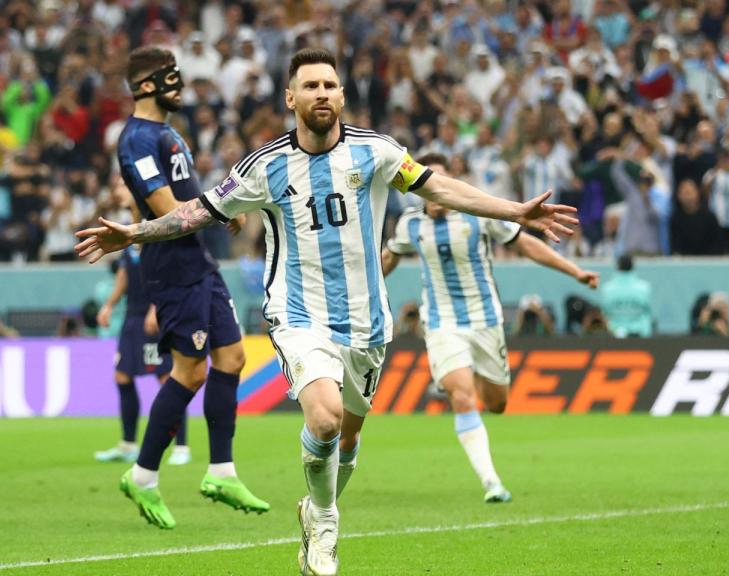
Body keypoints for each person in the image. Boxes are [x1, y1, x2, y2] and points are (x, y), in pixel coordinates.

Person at [74, 48, 577, 575]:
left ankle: (315, 510)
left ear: (341, 96)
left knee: (349, 439)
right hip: (299, 317)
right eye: (310, 86)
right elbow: (198, 212)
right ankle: (328, 524)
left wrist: (514, 209)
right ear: (291, 98)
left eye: (329, 85)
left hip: (367, 322)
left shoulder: (378, 153)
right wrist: (134, 232)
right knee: (325, 415)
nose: (322, 94)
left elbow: (440, 186)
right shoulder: (263, 167)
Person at [100, 46, 267, 530]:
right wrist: (217, 210)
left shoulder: (168, 133)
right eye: (168, 77)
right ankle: (143, 475)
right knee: (190, 372)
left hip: (199, 258)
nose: (178, 84)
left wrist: (220, 211)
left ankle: (221, 471)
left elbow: (189, 200)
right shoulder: (135, 140)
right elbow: (167, 209)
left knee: (232, 358)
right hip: (172, 264)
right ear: (144, 86)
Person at [381, 153, 597, 505]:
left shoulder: (479, 215)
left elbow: (525, 243)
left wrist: (574, 271)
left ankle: (465, 376)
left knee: (496, 402)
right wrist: (361, 284)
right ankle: (491, 481)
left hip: (486, 321)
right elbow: (390, 255)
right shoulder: (410, 224)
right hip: (440, 322)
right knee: (462, 395)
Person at [95, 242, 191, 466]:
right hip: (132, 319)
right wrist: (109, 304)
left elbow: (169, 275)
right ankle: (128, 444)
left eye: (130, 204)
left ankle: (181, 446)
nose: (127, 205)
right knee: (122, 377)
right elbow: (123, 275)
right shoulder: (130, 236)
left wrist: (156, 308)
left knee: (168, 380)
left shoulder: (156, 232)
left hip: (156, 319)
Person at [600, 254, 653, 337]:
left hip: (614, 338)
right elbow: (647, 314)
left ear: (617, 267)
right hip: (639, 338)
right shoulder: (644, 288)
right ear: (633, 267)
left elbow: (605, 314)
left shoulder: (607, 289)